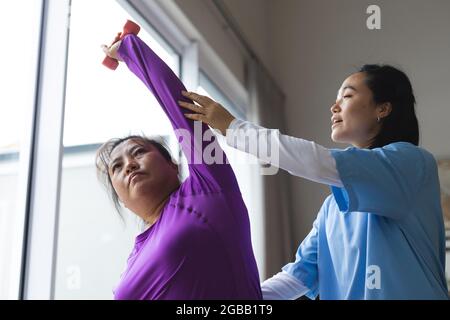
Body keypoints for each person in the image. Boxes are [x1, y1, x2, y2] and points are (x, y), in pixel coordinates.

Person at [178, 64, 449, 299]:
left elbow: (317, 161)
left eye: (347, 96)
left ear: (383, 108)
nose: (334, 106)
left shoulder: (413, 164)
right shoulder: (332, 209)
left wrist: (234, 128)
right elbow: (297, 278)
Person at [96, 32, 262, 300]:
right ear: (122, 200)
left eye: (138, 152)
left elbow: (180, 106)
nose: (129, 165)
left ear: (173, 165)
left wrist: (130, 50)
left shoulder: (208, 189)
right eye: (117, 167)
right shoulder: (133, 261)